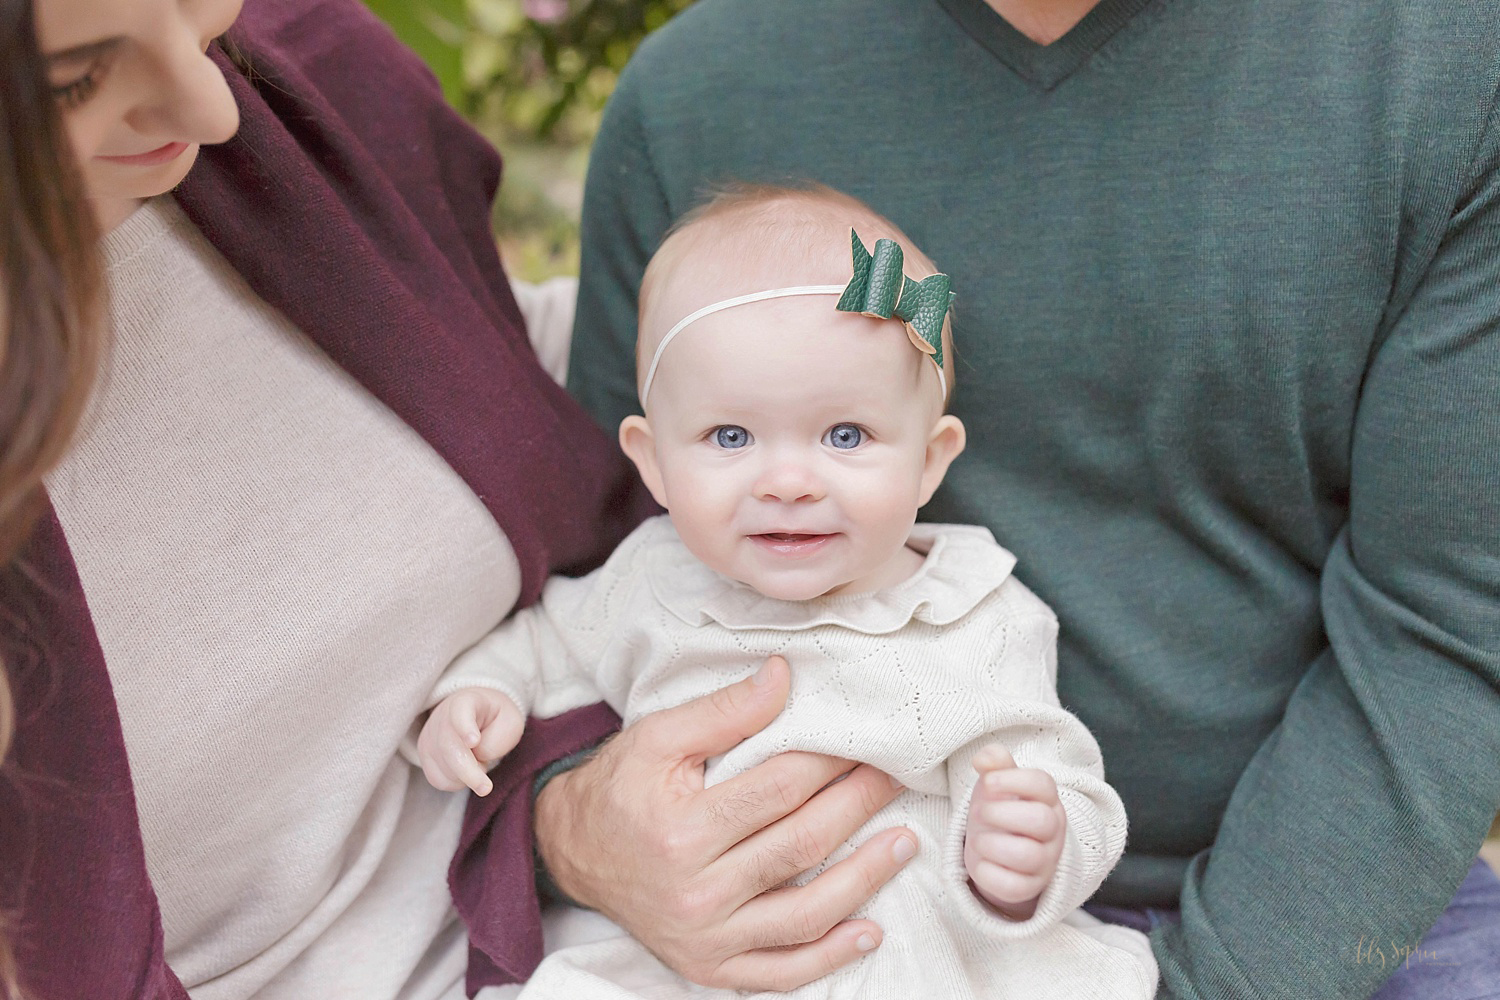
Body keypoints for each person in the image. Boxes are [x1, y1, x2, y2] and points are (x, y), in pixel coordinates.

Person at [567, 1, 1500, 998]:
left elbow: (1445, 618)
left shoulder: (1441, 65)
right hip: (837, 916)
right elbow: (600, 578)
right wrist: (565, 821)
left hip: (1321, 904)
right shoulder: (694, 95)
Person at [0, 0, 925, 997]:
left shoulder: (309, 76)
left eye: (195, 4)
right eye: (76, 82)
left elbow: (522, 371)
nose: (211, 106)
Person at [418, 185, 1158, 999]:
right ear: (654, 460)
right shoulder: (649, 581)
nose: (789, 482)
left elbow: (1060, 778)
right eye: (730, 437)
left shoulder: (971, 610)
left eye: (846, 435)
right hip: (691, 957)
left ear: (931, 458)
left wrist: (1027, 853)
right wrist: (481, 693)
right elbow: (541, 640)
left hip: (911, 953)